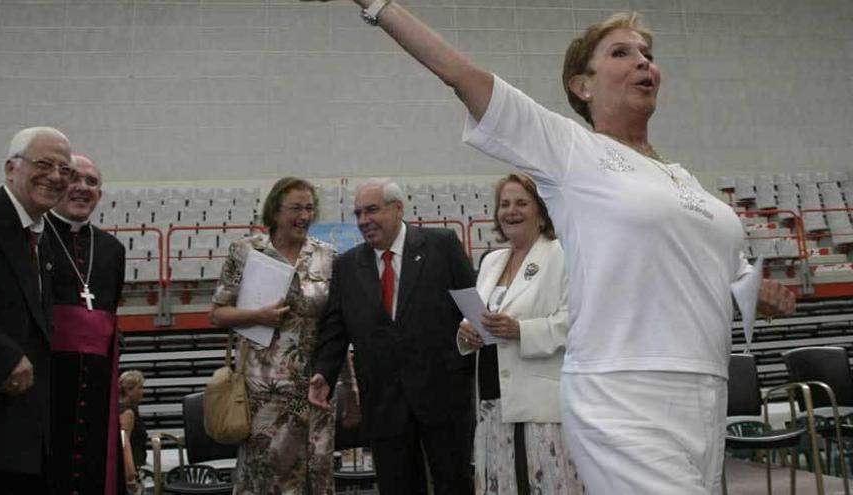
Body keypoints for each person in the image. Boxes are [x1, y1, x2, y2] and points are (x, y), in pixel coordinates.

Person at [298, 4, 796, 494]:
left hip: (706, 387)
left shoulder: (684, 181)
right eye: (622, 53)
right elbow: (463, 76)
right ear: (583, 84)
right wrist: (378, 5)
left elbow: (716, 272)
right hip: (622, 393)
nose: (644, 60)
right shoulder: (572, 152)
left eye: (647, 52)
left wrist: (753, 292)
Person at [309, 178, 477, 495]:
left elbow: (474, 313)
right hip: (384, 404)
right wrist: (323, 373)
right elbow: (335, 329)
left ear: (398, 208)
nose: (363, 221)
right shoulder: (346, 266)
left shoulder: (442, 245)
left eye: (372, 210)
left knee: (454, 484)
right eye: (358, 213)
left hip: (444, 398)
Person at [210, 177, 337, 495]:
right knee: (267, 479)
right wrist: (258, 316)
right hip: (263, 393)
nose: (304, 216)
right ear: (275, 211)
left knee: (315, 474)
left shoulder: (328, 256)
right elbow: (217, 312)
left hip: (315, 391)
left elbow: (336, 326)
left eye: (309, 208)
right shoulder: (245, 252)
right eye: (296, 208)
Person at [456, 174, 582, 495]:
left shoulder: (562, 255)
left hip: (541, 408)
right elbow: (477, 315)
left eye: (522, 203)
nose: (511, 211)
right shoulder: (492, 261)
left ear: (541, 212)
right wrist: (467, 333)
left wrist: (521, 331)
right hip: (491, 404)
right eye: (505, 204)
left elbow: (577, 323)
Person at [0, 126, 73, 494]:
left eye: (65, 169)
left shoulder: (43, 239)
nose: (56, 176)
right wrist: (2, 357)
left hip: (26, 440)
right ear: (10, 169)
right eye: (44, 164)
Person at [46, 154, 127, 495]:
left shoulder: (112, 249)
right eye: (74, 178)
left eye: (92, 182)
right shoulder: (35, 237)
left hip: (98, 378)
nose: (82, 188)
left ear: (100, 194)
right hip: (49, 378)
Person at [119, 370, 147, 495]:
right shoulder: (127, 413)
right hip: (131, 470)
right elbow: (124, 444)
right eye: (140, 388)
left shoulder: (131, 409)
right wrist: (130, 476)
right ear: (129, 390)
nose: (143, 392)